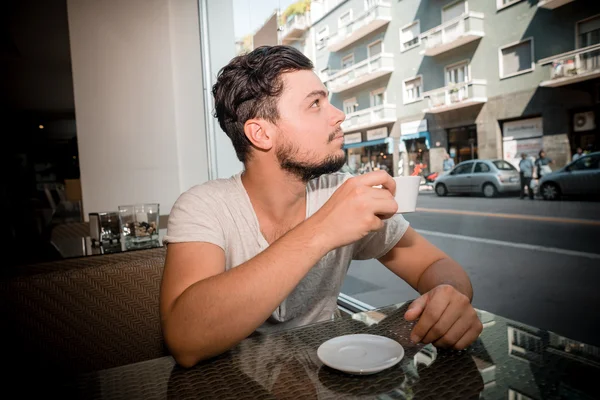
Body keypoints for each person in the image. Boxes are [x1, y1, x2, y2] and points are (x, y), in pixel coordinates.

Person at [159, 46, 482, 368]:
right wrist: (322, 230)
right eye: (315, 104)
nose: (339, 115)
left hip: (334, 375)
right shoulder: (203, 206)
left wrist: (447, 294)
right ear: (261, 133)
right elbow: (186, 340)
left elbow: (435, 264)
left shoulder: (338, 192)